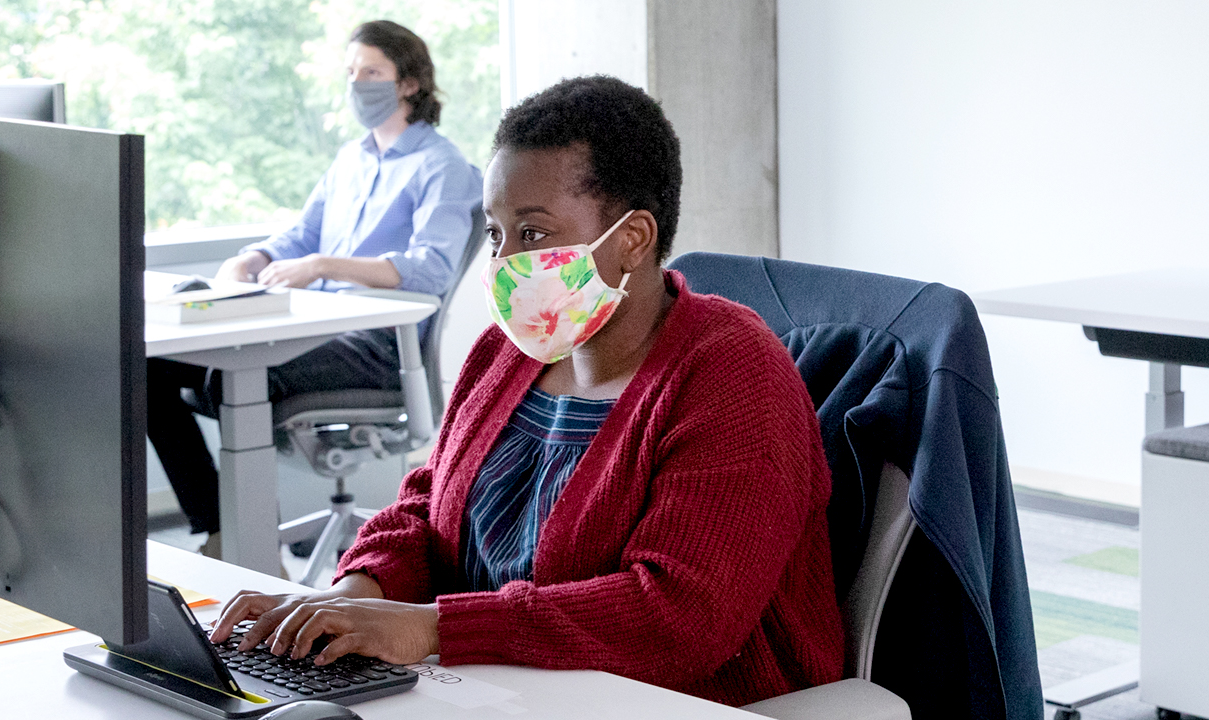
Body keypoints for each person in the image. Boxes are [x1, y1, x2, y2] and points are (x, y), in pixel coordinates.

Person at [210, 75, 844, 707]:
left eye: (532, 234)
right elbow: (427, 508)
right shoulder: (508, 352)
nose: (504, 262)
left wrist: (430, 627)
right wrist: (353, 596)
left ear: (632, 239)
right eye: (495, 233)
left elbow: (679, 619)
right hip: (495, 690)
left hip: (683, 702)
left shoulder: (733, 375)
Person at [148, 20, 483, 552]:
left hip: (374, 345)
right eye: (351, 72)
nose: (357, 84)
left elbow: (431, 269)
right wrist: (251, 258)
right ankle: (220, 526)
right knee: (151, 369)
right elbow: (301, 233)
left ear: (409, 83)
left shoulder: (443, 167)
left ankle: (251, 541)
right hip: (315, 324)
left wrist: (328, 264)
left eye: (371, 72)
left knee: (225, 376)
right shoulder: (350, 159)